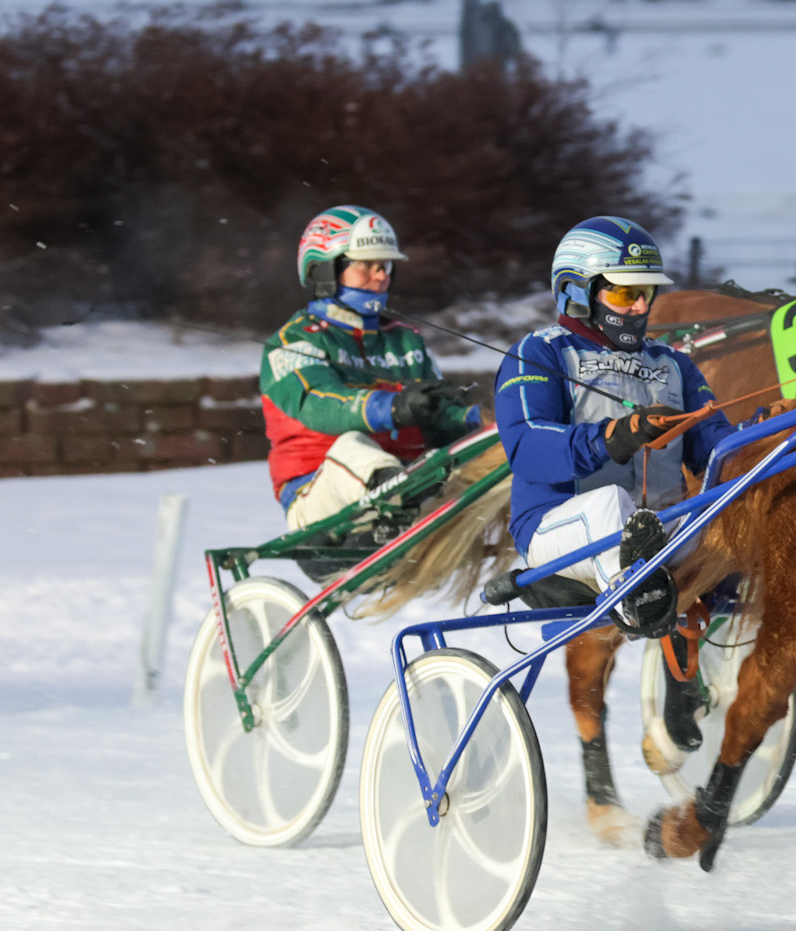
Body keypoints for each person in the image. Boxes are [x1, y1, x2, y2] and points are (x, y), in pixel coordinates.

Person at [495, 216, 737, 773]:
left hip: (656, 530)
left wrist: (766, 438)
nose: (638, 307)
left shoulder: (673, 365)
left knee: (729, 508)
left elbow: (718, 447)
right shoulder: (539, 353)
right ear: (578, 290)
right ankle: (647, 606)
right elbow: (528, 446)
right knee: (614, 510)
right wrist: (613, 436)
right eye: (625, 291)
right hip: (559, 533)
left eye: (645, 293)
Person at [261, 206, 478, 533]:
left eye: (386, 265)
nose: (381, 276)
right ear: (325, 271)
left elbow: (443, 419)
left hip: (409, 481)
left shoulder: (407, 341)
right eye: (366, 265)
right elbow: (319, 406)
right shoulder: (293, 341)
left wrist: (484, 421)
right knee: (351, 445)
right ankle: (394, 493)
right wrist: (394, 407)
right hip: (319, 498)